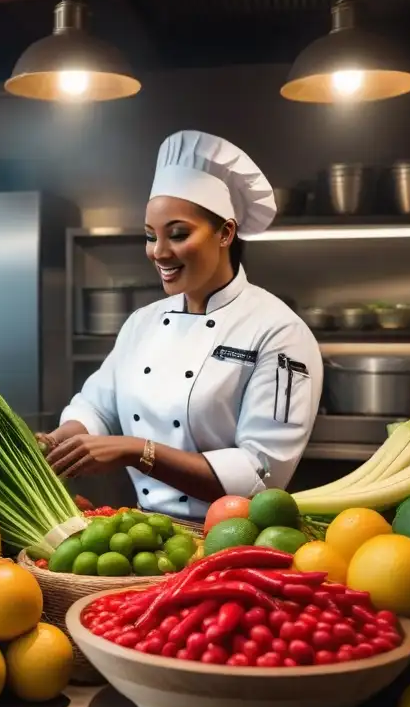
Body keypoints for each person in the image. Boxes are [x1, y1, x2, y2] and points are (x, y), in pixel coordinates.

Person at [39, 130, 323, 520]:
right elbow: (96, 408)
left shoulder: (278, 331)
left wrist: (137, 451)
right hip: (145, 532)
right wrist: (59, 439)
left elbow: (261, 474)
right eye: (150, 236)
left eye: (178, 234)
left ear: (225, 232)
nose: (159, 252)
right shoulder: (143, 323)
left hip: (231, 540)